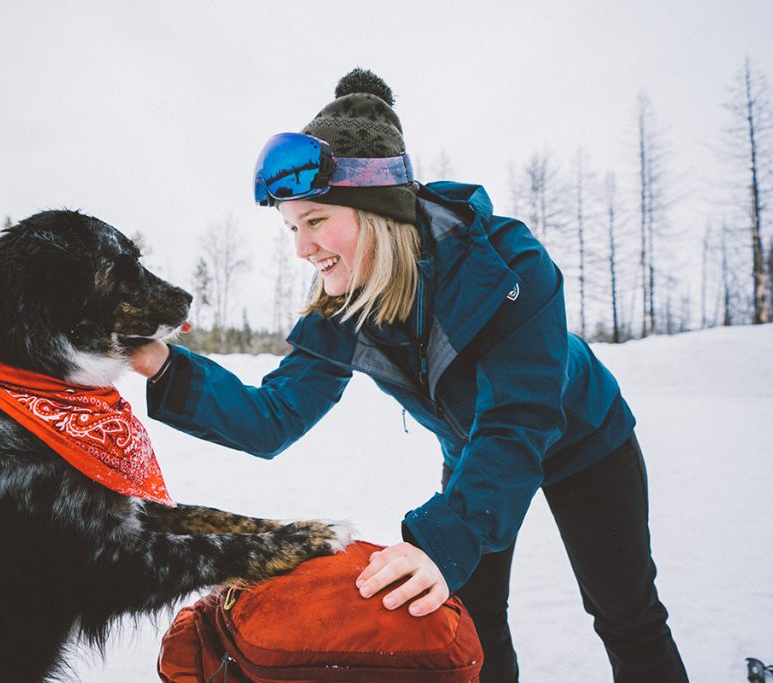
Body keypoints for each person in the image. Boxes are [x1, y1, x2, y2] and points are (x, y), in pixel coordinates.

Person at [129, 68, 688, 682]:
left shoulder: (506, 263)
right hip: (472, 453)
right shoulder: (346, 307)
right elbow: (273, 417)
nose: (301, 248)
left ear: (375, 208)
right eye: (291, 227)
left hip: (585, 441)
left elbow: (518, 422)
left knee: (625, 613)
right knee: (470, 618)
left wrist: (438, 545)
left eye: (314, 221)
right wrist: (162, 365)